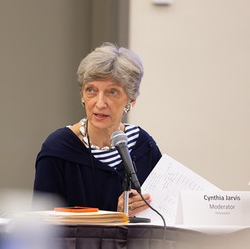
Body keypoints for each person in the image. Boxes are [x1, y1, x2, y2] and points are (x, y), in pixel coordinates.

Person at [33, 42, 162, 216]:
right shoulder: (58, 148)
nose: (99, 103)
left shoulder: (143, 146)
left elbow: (162, 215)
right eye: (91, 90)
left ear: (131, 101)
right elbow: (42, 226)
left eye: (113, 92)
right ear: (82, 96)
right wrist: (115, 216)